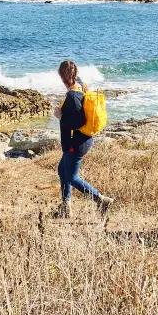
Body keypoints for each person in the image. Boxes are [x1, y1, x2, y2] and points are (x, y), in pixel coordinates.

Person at [53, 60, 113, 219]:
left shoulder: (72, 96)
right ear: (75, 74)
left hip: (75, 143)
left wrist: (61, 116)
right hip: (81, 139)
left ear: (61, 76)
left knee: (71, 177)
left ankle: (101, 200)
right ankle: (66, 207)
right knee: (62, 171)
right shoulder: (80, 84)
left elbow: (79, 121)